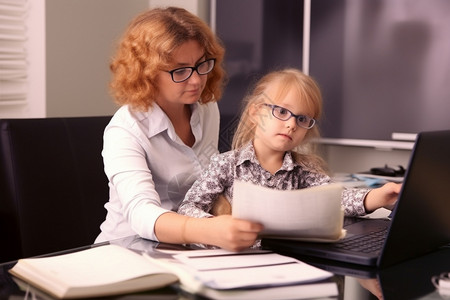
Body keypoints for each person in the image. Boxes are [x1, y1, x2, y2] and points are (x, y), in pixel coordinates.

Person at [95, 7, 263, 252]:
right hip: (127, 252)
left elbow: (210, 182)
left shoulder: (206, 109)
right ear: (147, 74)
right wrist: (209, 230)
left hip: (185, 250)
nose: (196, 80)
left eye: (200, 64)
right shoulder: (124, 131)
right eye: (181, 70)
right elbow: (141, 214)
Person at [178, 68, 401, 222]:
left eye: (302, 119)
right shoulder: (226, 165)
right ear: (256, 112)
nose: (291, 124)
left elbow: (336, 198)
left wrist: (378, 197)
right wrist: (215, 227)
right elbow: (188, 209)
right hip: (238, 262)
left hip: (293, 263)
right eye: (282, 111)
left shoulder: (304, 170)